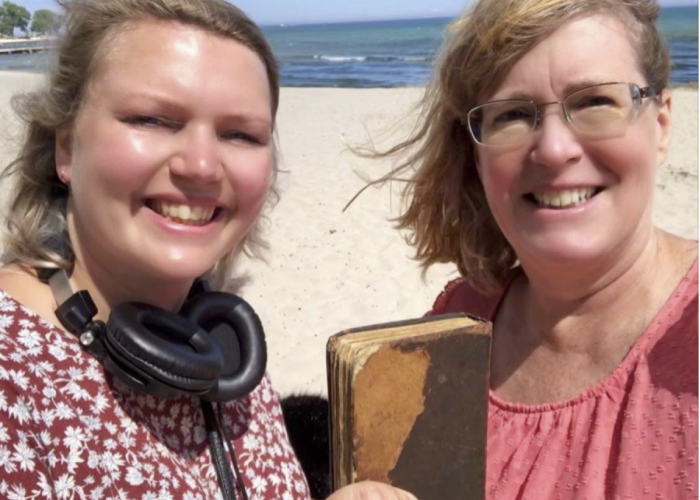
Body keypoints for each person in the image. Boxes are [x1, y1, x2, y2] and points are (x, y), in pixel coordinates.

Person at [0, 0, 416, 499]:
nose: (201, 166)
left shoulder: (221, 347)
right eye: (151, 119)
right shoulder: (15, 379)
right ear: (65, 147)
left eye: (240, 134)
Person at [374, 0, 698, 497]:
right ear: (476, 158)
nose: (553, 148)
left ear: (660, 124)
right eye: (513, 115)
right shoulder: (456, 328)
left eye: (594, 102)